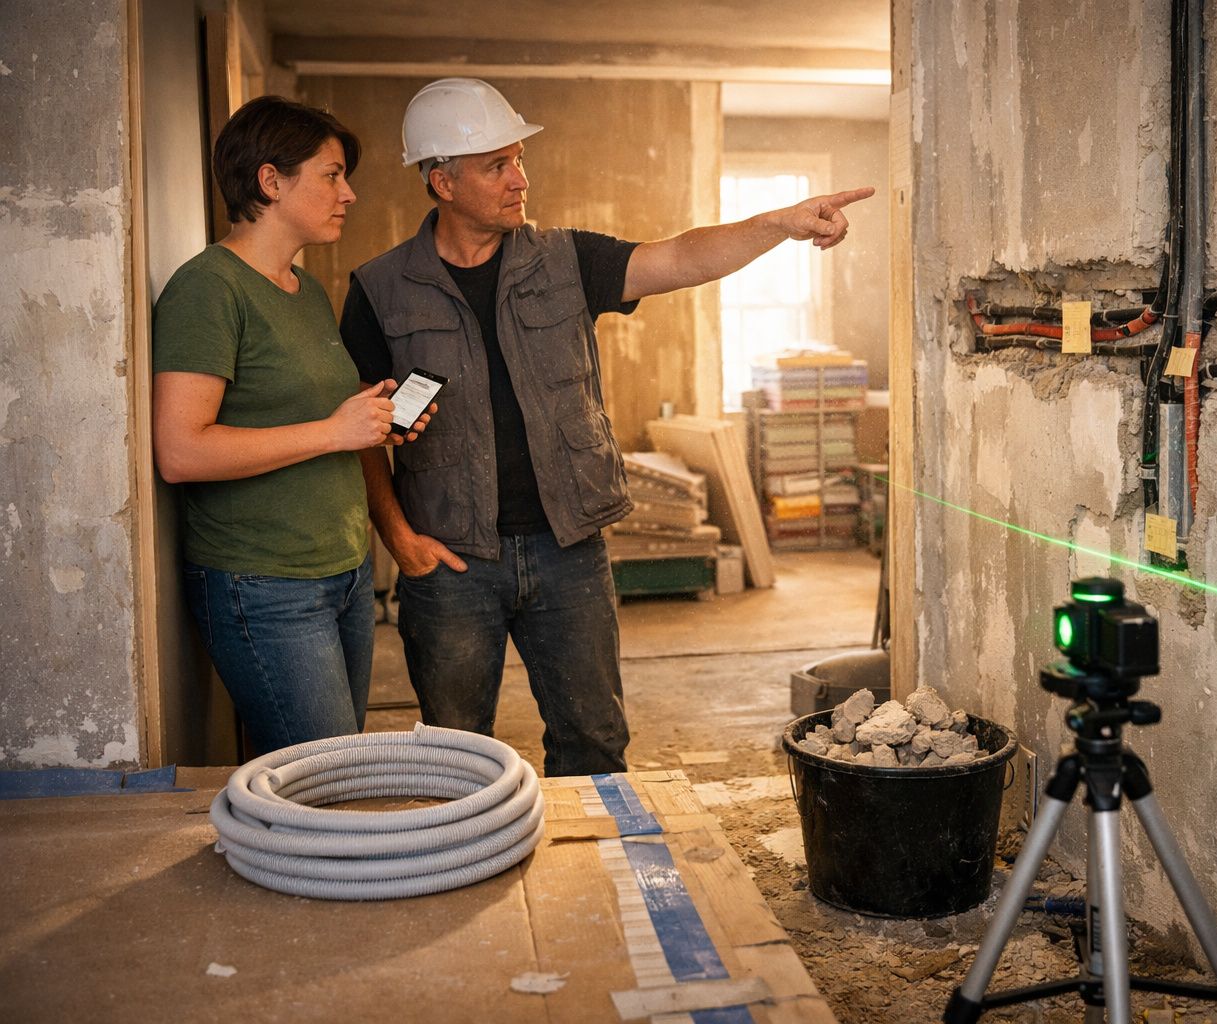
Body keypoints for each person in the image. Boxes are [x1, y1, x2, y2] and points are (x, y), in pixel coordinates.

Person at [340, 77, 872, 776]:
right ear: (442, 179)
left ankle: (591, 883)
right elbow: (362, 434)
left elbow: (680, 256)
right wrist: (398, 537)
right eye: (498, 164)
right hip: (452, 562)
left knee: (593, 743)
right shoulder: (380, 289)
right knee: (455, 754)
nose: (520, 178)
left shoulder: (564, 260)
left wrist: (779, 223)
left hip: (570, 550)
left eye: (519, 159)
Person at [152, 95, 432, 757]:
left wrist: (371, 420)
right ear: (271, 181)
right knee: (326, 782)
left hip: (343, 568)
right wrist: (335, 432)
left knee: (328, 773)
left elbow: (307, 415)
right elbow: (180, 450)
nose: (350, 193)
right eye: (332, 175)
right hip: (265, 584)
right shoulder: (208, 289)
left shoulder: (302, 288)